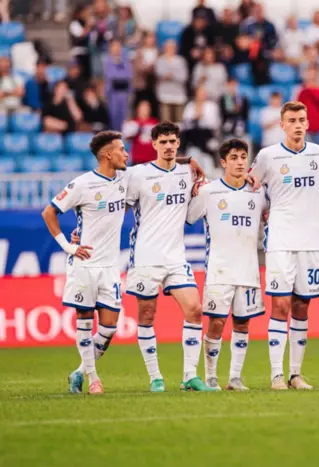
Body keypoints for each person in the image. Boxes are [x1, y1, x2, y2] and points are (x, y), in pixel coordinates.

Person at [249, 101, 319, 390]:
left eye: (301, 120)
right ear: (282, 125)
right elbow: (250, 186)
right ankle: (276, 375)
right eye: (291, 120)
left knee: (302, 306)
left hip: (311, 242)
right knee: (280, 304)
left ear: (307, 123)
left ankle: (295, 374)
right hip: (280, 240)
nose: (297, 125)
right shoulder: (268, 156)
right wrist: (264, 210)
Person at [124, 121, 212, 392]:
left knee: (195, 310)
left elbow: (191, 214)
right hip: (146, 257)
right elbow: (117, 208)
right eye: (163, 142)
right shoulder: (138, 175)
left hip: (176, 257)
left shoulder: (187, 172)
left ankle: (189, 376)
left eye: (173, 141)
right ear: (153, 144)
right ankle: (155, 377)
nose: (169, 146)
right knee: (147, 315)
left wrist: (193, 168)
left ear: (178, 143)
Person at [41, 131, 129, 395]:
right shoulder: (82, 184)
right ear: (107, 154)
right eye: (121, 149)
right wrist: (69, 246)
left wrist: (190, 161)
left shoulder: (126, 179)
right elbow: (49, 212)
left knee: (109, 329)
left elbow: (158, 167)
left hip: (110, 267)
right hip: (85, 264)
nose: (126, 154)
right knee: (84, 318)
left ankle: (78, 371)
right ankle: (93, 379)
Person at [186, 139, 268, 391]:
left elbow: (272, 214)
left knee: (243, 323)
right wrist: (193, 189)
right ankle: (211, 376)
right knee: (217, 323)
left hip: (249, 270)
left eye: (243, 157)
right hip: (219, 270)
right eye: (233, 158)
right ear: (223, 162)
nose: (240, 162)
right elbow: (188, 217)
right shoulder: (209, 192)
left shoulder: (258, 191)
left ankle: (234, 378)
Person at [296, 66, 319, 147]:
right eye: (310, 74)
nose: (312, 76)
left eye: (314, 74)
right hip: (304, 128)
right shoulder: (301, 90)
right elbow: (296, 109)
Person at [155, 40, 189, 123]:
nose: (170, 49)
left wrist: (171, 75)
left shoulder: (181, 60)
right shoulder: (160, 60)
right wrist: (173, 74)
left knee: (179, 122)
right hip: (164, 95)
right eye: (168, 47)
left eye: (172, 47)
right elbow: (159, 74)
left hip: (179, 95)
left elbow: (184, 77)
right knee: (165, 122)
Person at [103, 40, 132, 132]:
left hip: (124, 94)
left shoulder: (126, 61)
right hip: (113, 94)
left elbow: (128, 76)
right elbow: (111, 76)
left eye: (118, 46)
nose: (116, 49)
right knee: (114, 116)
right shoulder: (107, 61)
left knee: (124, 117)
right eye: (114, 46)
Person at [122, 100, 158, 165]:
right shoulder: (133, 123)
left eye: (146, 108)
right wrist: (136, 128)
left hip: (152, 160)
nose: (144, 111)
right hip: (137, 160)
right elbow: (126, 137)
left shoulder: (154, 123)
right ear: (138, 110)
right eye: (142, 108)